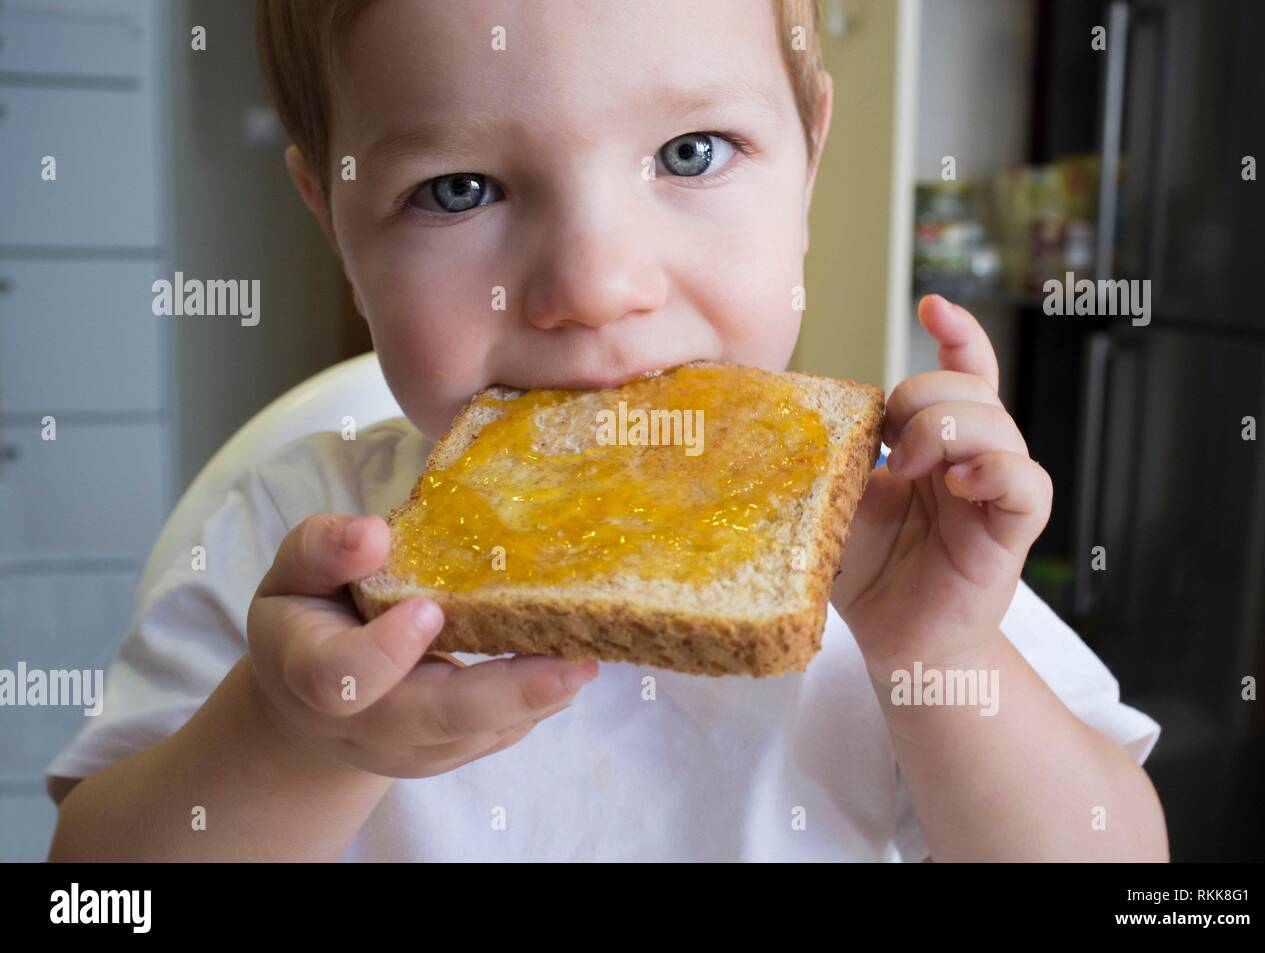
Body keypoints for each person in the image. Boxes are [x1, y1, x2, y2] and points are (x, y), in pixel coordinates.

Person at [46, 0, 1166, 861]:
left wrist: (940, 652)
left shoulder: (897, 543)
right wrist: (288, 740)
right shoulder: (290, 542)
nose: (594, 284)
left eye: (690, 152)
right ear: (334, 223)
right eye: (458, 188)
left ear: (810, 161)